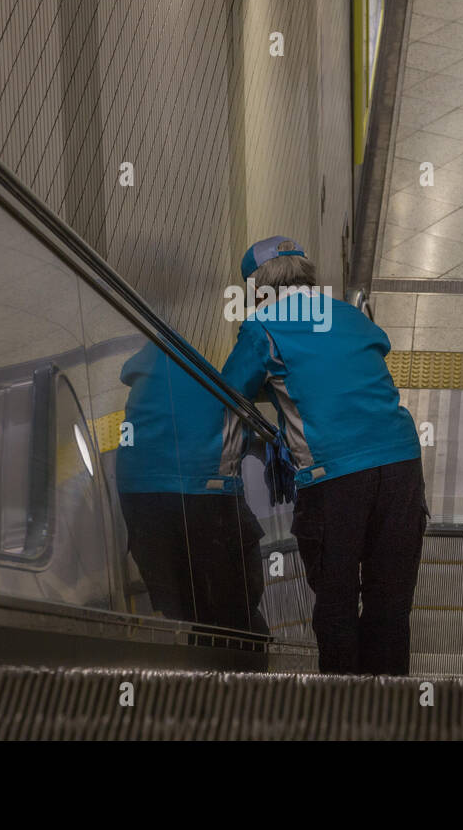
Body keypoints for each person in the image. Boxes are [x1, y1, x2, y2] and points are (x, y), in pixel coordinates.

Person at [221, 236, 427, 675]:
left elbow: (228, 393)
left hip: (334, 476)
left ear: (257, 288)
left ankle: (343, 704)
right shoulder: (351, 315)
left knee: (336, 603)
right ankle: (393, 703)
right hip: (401, 463)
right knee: (389, 601)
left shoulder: (262, 326)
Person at [116, 342, 268, 635]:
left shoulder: (150, 362)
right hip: (206, 493)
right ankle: (243, 659)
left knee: (187, 614)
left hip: (139, 495)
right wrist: (264, 444)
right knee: (238, 613)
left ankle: (204, 656)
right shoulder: (222, 352)